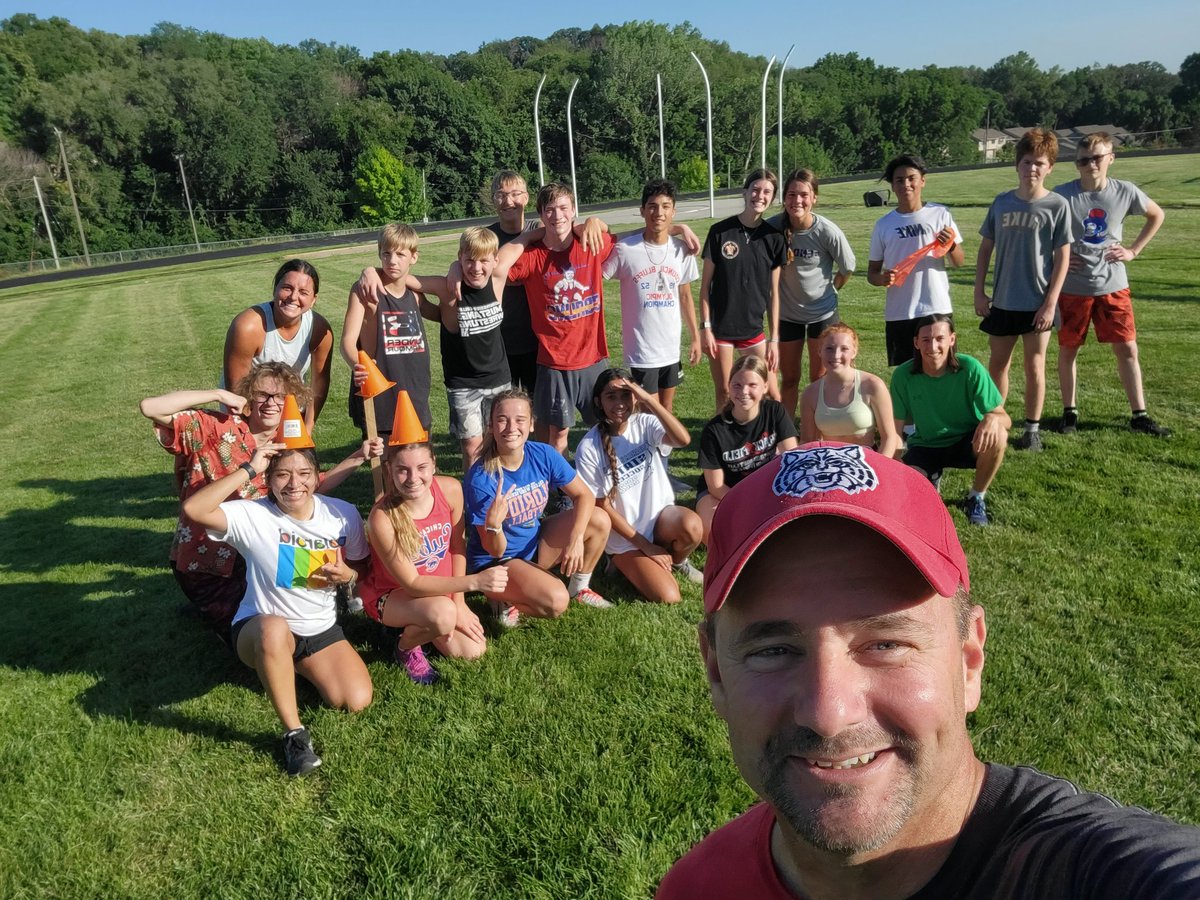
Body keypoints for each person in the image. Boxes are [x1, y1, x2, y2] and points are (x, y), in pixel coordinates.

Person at [656, 442, 1200, 898]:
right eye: (773, 650)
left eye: (885, 643)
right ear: (717, 674)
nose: (828, 713)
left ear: (969, 661)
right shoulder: (697, 888)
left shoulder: (1085, 870)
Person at [140, 362, 380, 645]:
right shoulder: (215, 428)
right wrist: (218, 392)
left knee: (288, 626)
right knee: (249, 639)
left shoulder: (286, 443)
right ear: (249, 397)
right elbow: (150, 407)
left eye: (281, 397)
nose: (271, 403)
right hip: (207, 562)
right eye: (262, 394)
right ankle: (208, 610)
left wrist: (358, 456)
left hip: (259, 559)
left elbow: (310, 484)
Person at [181, 443, 372, 777]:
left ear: (316, 478)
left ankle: (287, 667)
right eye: (282, 474)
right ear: (268, 479)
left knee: (355, 700)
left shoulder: (343, 513)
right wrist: (249, 467)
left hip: (319, 630)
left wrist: (350, 576)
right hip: (260, 627)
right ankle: (294, 736)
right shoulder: (252, 514)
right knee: (274, 630)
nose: (293, 483)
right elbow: (195, 509)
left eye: (303, 474)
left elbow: (362, 568)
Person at [463, 388, 613, 626]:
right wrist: (494, 525)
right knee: (555, 601)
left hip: (533, 542)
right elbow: (495, 551)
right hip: (498, 560)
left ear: (531, 424)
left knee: (598, 518)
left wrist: (576, 538)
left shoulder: (542, 454)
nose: (512, 428)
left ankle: (580, 588)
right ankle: (502, 597)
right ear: (490, 426)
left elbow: (583, 495)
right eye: (502, 420)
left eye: (520, 420)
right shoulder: (481, 479)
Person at [1053, 133, 1170, 436]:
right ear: (1076, 163)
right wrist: (1057, 261)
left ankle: (1139, 414)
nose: (1090, 164)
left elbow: (1156, 215)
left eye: (1097, 158)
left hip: (1113, 285)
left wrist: (1133, 250)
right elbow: (1041, 233)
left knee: (1127, 348)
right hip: (1072, 288)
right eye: (1083, 160)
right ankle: (1070, 413)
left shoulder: (1125, 191)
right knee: (1068, 349)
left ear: (1110, 159)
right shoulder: (1062, 195)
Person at [361, 441, 502, 685]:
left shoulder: (450, 489)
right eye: (402, 469)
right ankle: (405, 646)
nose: (413, 478)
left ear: (434, 464)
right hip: (393, 595)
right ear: (388, 470)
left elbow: (457, 547)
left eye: (422, 467)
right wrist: (474, 582)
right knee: (443, 615)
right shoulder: (382, 517)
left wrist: (459, 602)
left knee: (472, 651)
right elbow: (413, 584)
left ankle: (425, 625)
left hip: (441, 592)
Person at [974, 128, 1073, 452]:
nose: (1032, 168)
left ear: (1050, 167)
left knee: (1035, 365)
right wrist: (979, 290)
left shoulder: (1057, 205)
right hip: (1003, 300)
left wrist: (1050, 303)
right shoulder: (1001, 203)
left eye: (1039, 163)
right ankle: (994, 417)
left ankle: (1032, 429)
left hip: (1037, 303)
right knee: (997, 365)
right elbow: (985, 248)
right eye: (1027, 161)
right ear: (1017, 164)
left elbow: (1062, 257)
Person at [504, 182, 617, 453]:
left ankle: (610, 482)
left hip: (593, 357)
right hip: (555, 362)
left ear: (574, 210)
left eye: (564, 208)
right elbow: (497, 266)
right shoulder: (532, 257)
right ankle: (561, 493)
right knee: (558, 435)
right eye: (550, 210)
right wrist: (528, 237)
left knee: (607, 426)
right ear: (541, 215)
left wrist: (595, 222)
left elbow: (631, 236)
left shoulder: (591, 244)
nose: (558, 216)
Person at [574, 368, 704, 604]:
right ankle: (616, 562)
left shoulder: (644, 423)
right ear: (598, 402)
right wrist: (645, 546)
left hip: (660, 522)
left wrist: (647, 400)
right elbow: (601, 504)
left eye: (626, 395)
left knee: (692, 526)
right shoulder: (589, 447)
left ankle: (678, 561)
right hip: (625, 540)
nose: (620, 403)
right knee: (669, 596)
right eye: (611, 396)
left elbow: (683, 439)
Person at [889, 314, 1009, 526]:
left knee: (999, 434)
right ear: (916, 342)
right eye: (925, 340)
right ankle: (930, 477)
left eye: (939, 338)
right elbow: (895, 431)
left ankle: (976, 497)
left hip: (968, 442)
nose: (932, 346)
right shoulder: (902, 375)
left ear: (952, 339)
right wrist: (895, 465)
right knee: (912, 503)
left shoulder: (970, 368)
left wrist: (992, 417)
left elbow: (1005, 418)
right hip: (926, 444)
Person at [601, 178, 701, 415]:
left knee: (666, 408)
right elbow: (596, 280)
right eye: (653, 206)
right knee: (649, 409)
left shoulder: (682, 250)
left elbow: (685, 297)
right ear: (642, 211)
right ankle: (647, 451)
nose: (659, 212)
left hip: (670, 347)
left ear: (673, 211)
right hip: (642, 350)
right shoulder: (626, 250)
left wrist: (695, 338)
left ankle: (662, 452)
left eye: (666, 206)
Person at [768, 168, 856, 416]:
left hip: (822, 315)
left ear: (814, 197)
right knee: (789, 378)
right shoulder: (773, 228)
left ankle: (816, 429)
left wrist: (833, 288)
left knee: (819, 377)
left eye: (804, 195)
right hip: (787, 315)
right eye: (792, 194)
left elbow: (848, 266)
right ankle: (785, 431)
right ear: (784, 198)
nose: (798, 201)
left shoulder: (826, 231)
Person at [343, 223, 441, 439]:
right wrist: (356, 365)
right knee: (387, 464)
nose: (392, 261)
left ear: (414, 257)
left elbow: (442, 315)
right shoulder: (365, 292)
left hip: (416, 389)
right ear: (379, 254)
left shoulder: (415, 297)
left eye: (400, 254)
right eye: (386, 254)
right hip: (381, 394)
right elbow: (347, 342)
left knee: (421, 459)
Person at [866, 155, 965, 368]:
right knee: (907, 374)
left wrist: (952, 245)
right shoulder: (883, 225)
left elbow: (959, 261)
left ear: (923, 181)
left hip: (936, 306)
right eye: (899, 180)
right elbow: (871, 273)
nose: (906, 184)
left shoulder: (940, 214)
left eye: (912, 178)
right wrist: (882, 278)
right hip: (900, 311)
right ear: (892, 185)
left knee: (943, 371)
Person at [699, 168, 786, 411]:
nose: (760, 196)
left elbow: (773, 294)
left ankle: (778, 444)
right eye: (755, 189)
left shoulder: (774, 238)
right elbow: (705, 288)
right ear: (745, 192)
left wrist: (774, 339)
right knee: (726, 393)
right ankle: (724, 446)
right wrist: (705, 328)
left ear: (773, 197)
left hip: (754, 330)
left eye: (767, 191)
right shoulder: (720, 232)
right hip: (721, 330)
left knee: (771, 393)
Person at [696, 356, 799, 544]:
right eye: (737, 385)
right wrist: (748, 503)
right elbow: (715, 486)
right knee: (712, 532)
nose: (744, 391)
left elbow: (792, 459)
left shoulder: (775, 412)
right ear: (728, 385)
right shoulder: (715, 429)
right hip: (723, 492)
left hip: (763, 486)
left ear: (765, 387)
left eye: (752, 385)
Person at [223, 259, 334, 432]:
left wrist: (307, 427)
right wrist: (251, 434)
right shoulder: (248, 326)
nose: (293, 297)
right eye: (287, 288)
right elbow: (237, 391)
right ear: (275, 289)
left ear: (313, 299)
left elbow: (319, 385)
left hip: (288, 407)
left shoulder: (319, 329)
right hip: (247, 408)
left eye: (303, 292)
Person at [800, 324, 900, 457]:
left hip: (868, 459)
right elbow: (807, 441)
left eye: (844, 349)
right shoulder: (810, 394)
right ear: (819, 351)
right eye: (829, 348)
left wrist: (879, 468)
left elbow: (889, 438)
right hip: (829, 461)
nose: (836, 355)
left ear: (854, 352)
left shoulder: (872, 385)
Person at [488, 170, 540, 395]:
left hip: (538, 340)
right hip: (500, 341)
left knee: (537, 411)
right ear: (493, 200)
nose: (508, 201)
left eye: (515, 194)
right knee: (502, 411)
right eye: (501, 195)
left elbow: (568, 227)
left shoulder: (540, 231)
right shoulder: (486, 238)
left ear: (527, 198)